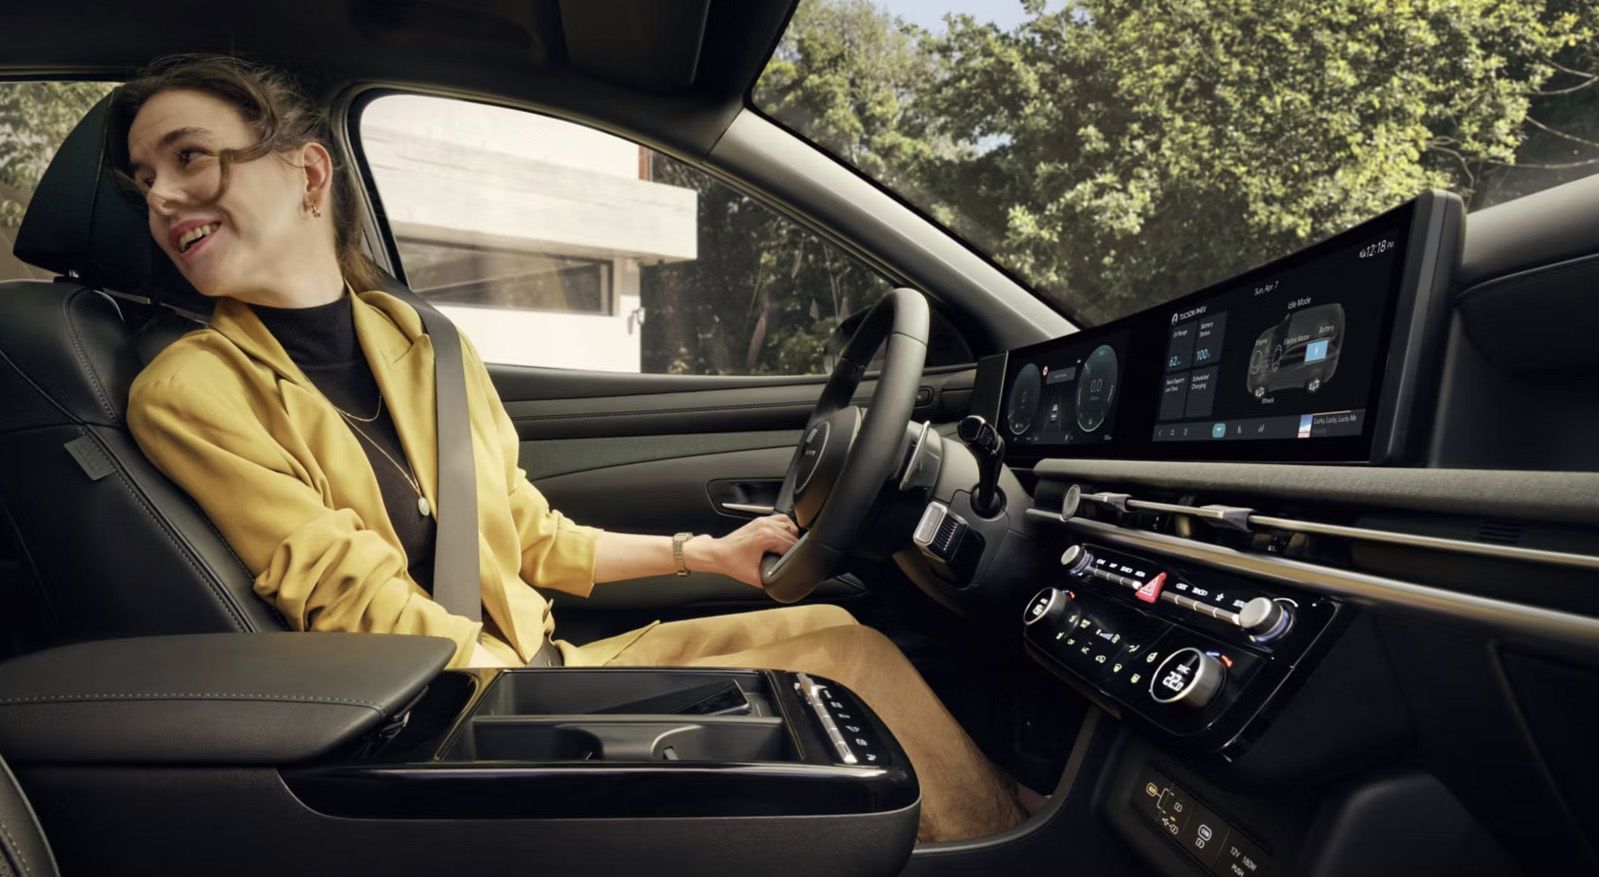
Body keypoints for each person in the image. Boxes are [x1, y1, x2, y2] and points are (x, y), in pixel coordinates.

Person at [116, 54, 1025, 842]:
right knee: (843, 671)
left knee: (838, 634)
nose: (160, 197)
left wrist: (703, 552)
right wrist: (531, 694)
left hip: (545, 666)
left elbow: (528, 531)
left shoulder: (421, 340)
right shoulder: (190, 389)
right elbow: (347, 599)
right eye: (144, 178)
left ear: (308, 171)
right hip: (449, 709)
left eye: (190, 156)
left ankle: (999, 826)